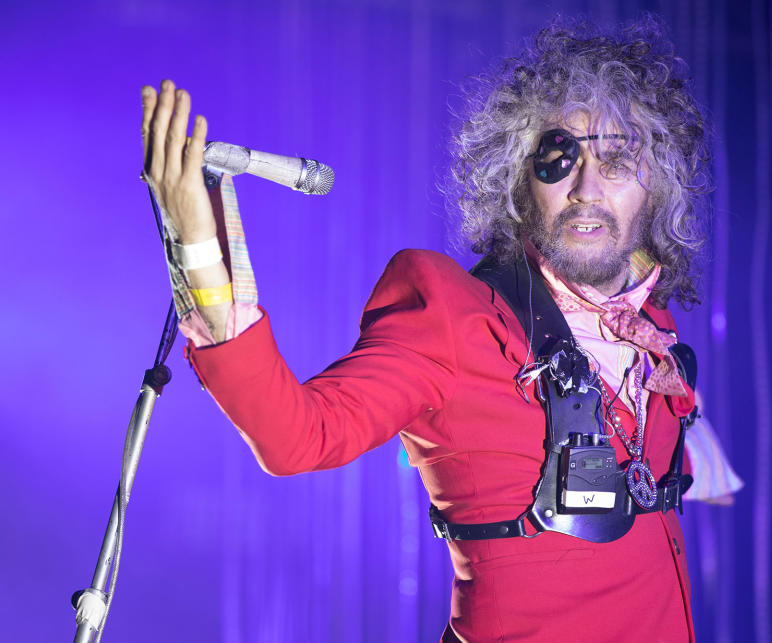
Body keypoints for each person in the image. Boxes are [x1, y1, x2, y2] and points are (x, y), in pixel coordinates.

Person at [141, 17, 739, 642]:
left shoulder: (651, 326)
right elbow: (297, 437)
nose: (586, 189)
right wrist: (199, 247)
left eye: (618, 160)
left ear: (657, 185)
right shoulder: (450, 315)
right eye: (558, 159)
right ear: (518, 181)